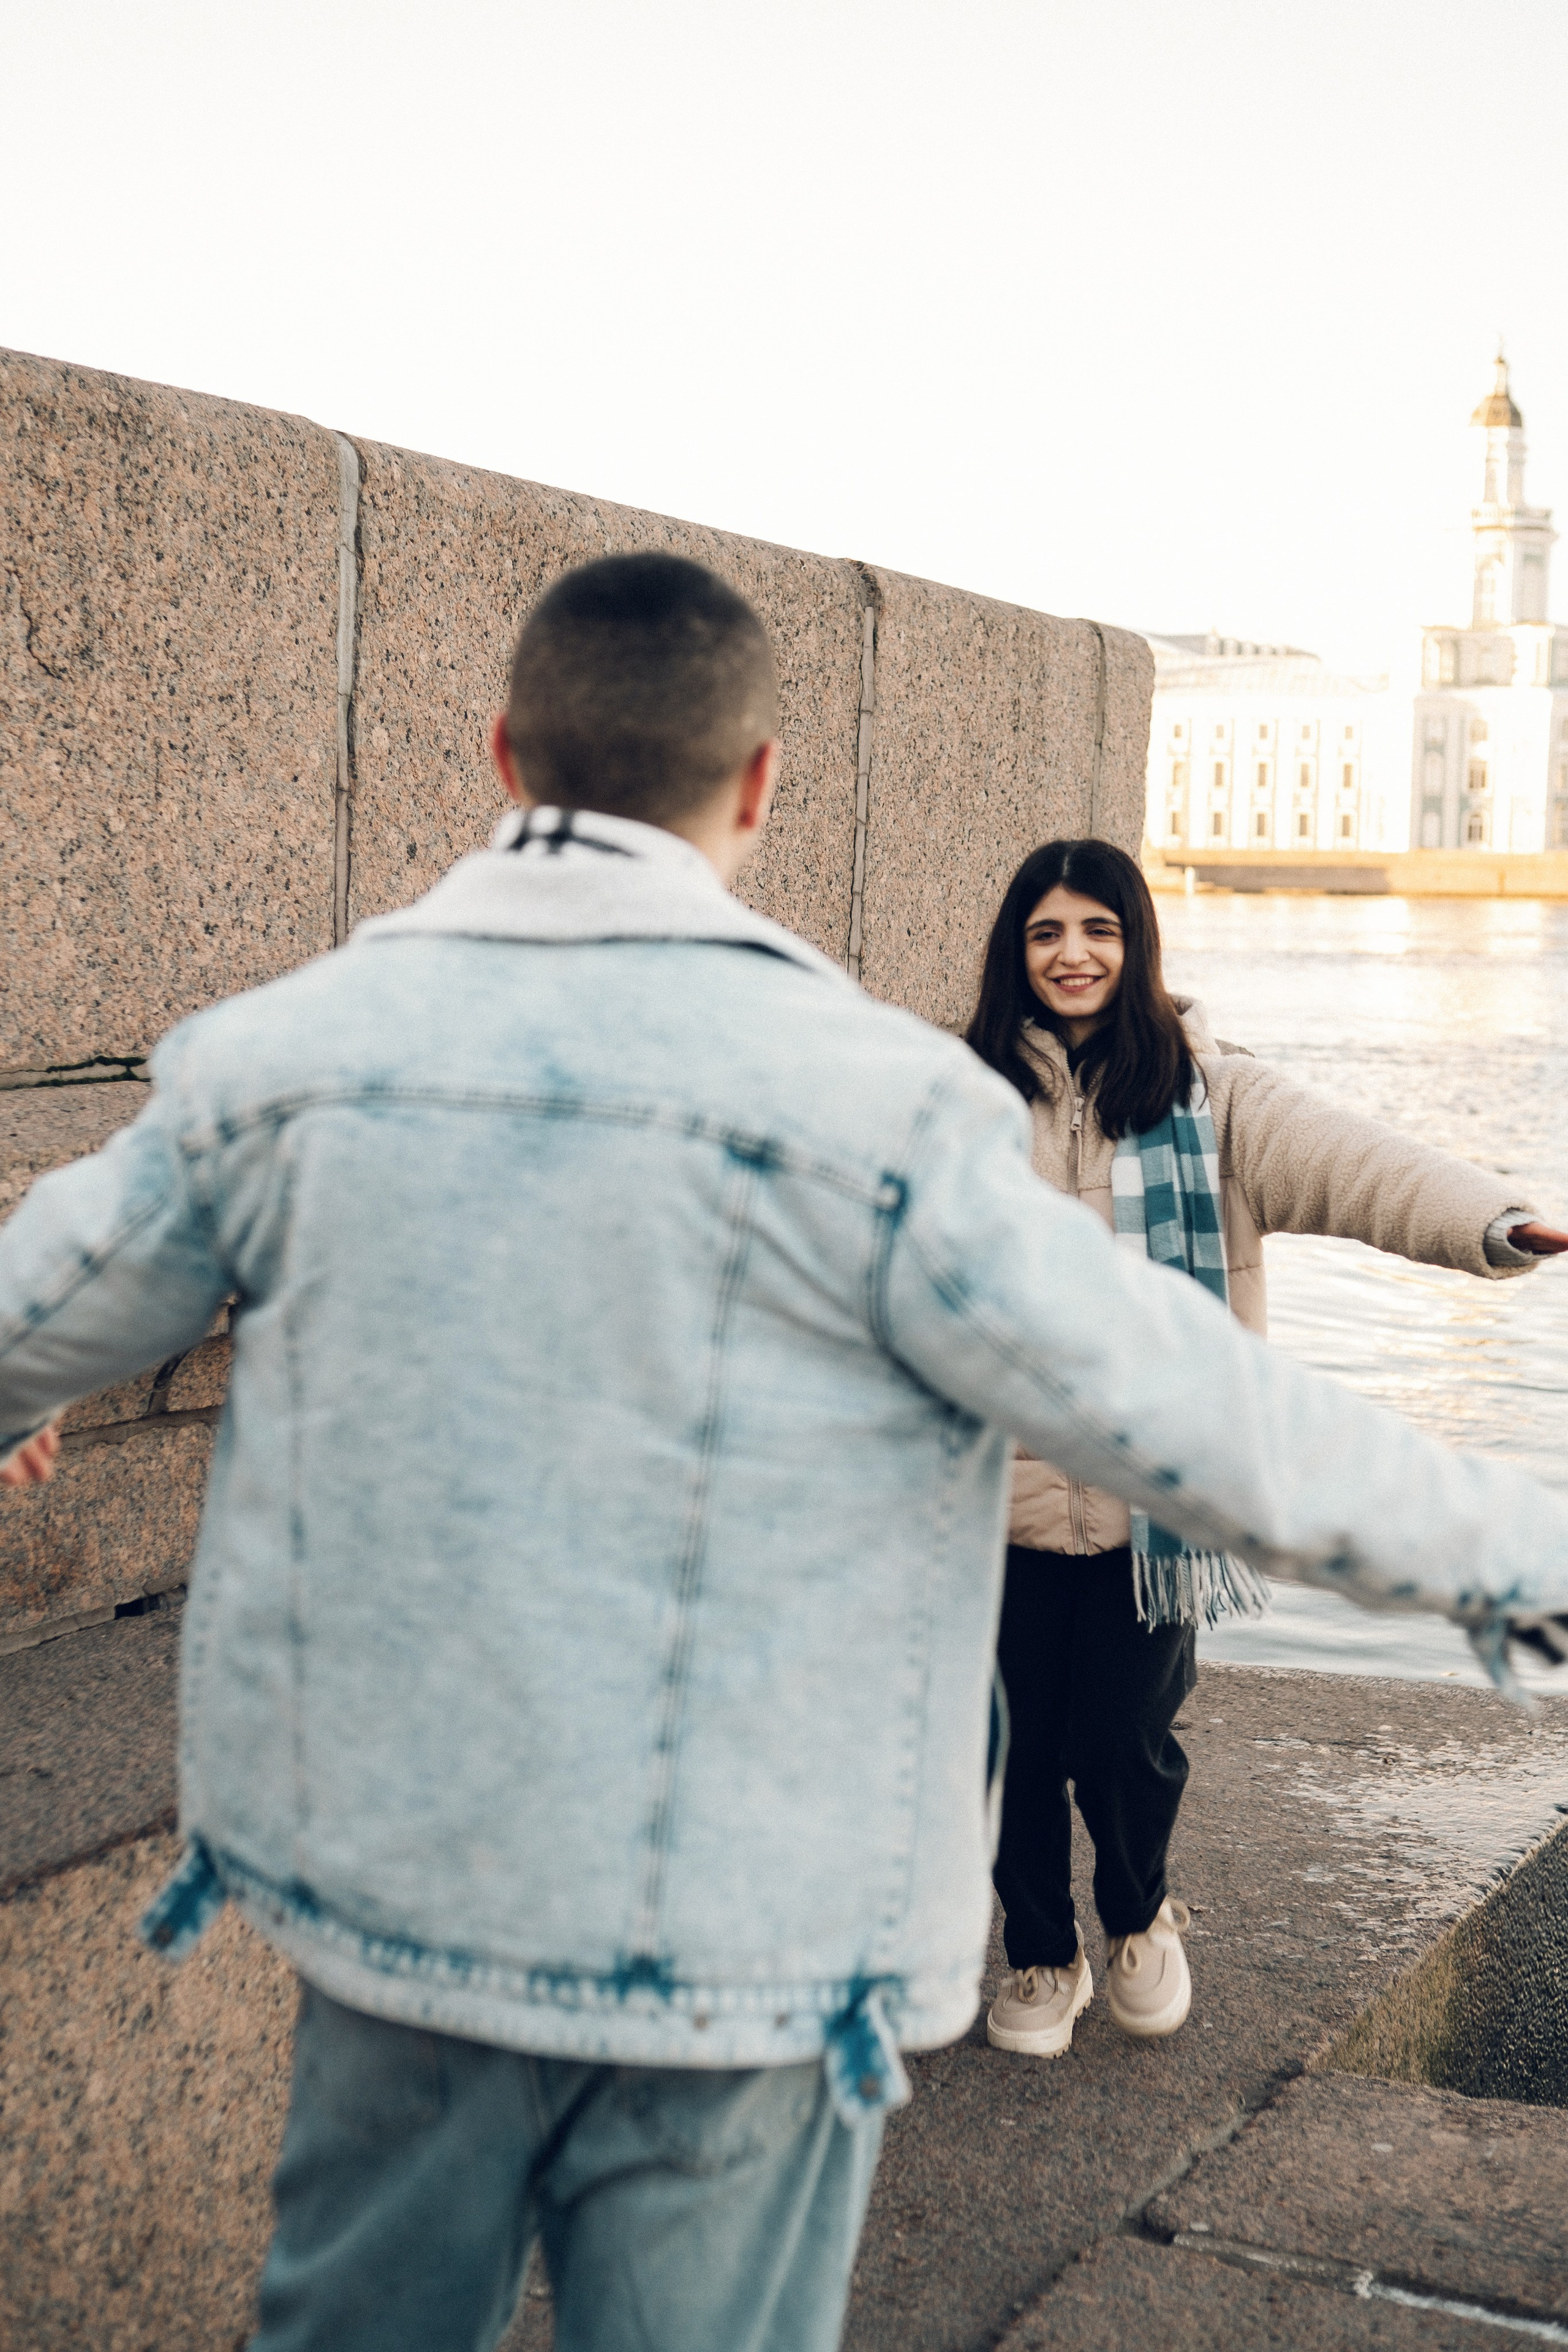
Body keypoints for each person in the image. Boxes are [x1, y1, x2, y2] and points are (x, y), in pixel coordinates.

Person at [2, 558, 1568, 2352]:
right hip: (746, 1936)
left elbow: (38, 1298)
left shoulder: (273, 1061)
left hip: (393, 1894)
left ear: (507, 756)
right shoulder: (887, 1108)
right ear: (757, 786)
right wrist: (1523, 1568)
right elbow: (1197, 1409)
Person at [966, 837, 1568, 2064]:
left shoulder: (1211, 1091)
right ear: (1013, 953)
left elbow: (1356, 1165)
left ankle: (1135, 1916)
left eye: (1097, 928)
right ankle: (1037, 1950)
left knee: (1125, 1742)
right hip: (992, 1492)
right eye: (1045, 932)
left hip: (1159, 1499)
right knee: (1010, 1745)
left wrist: (1491, 1220)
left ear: (1134, 946)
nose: (1071, 953)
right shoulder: (955, 1094)